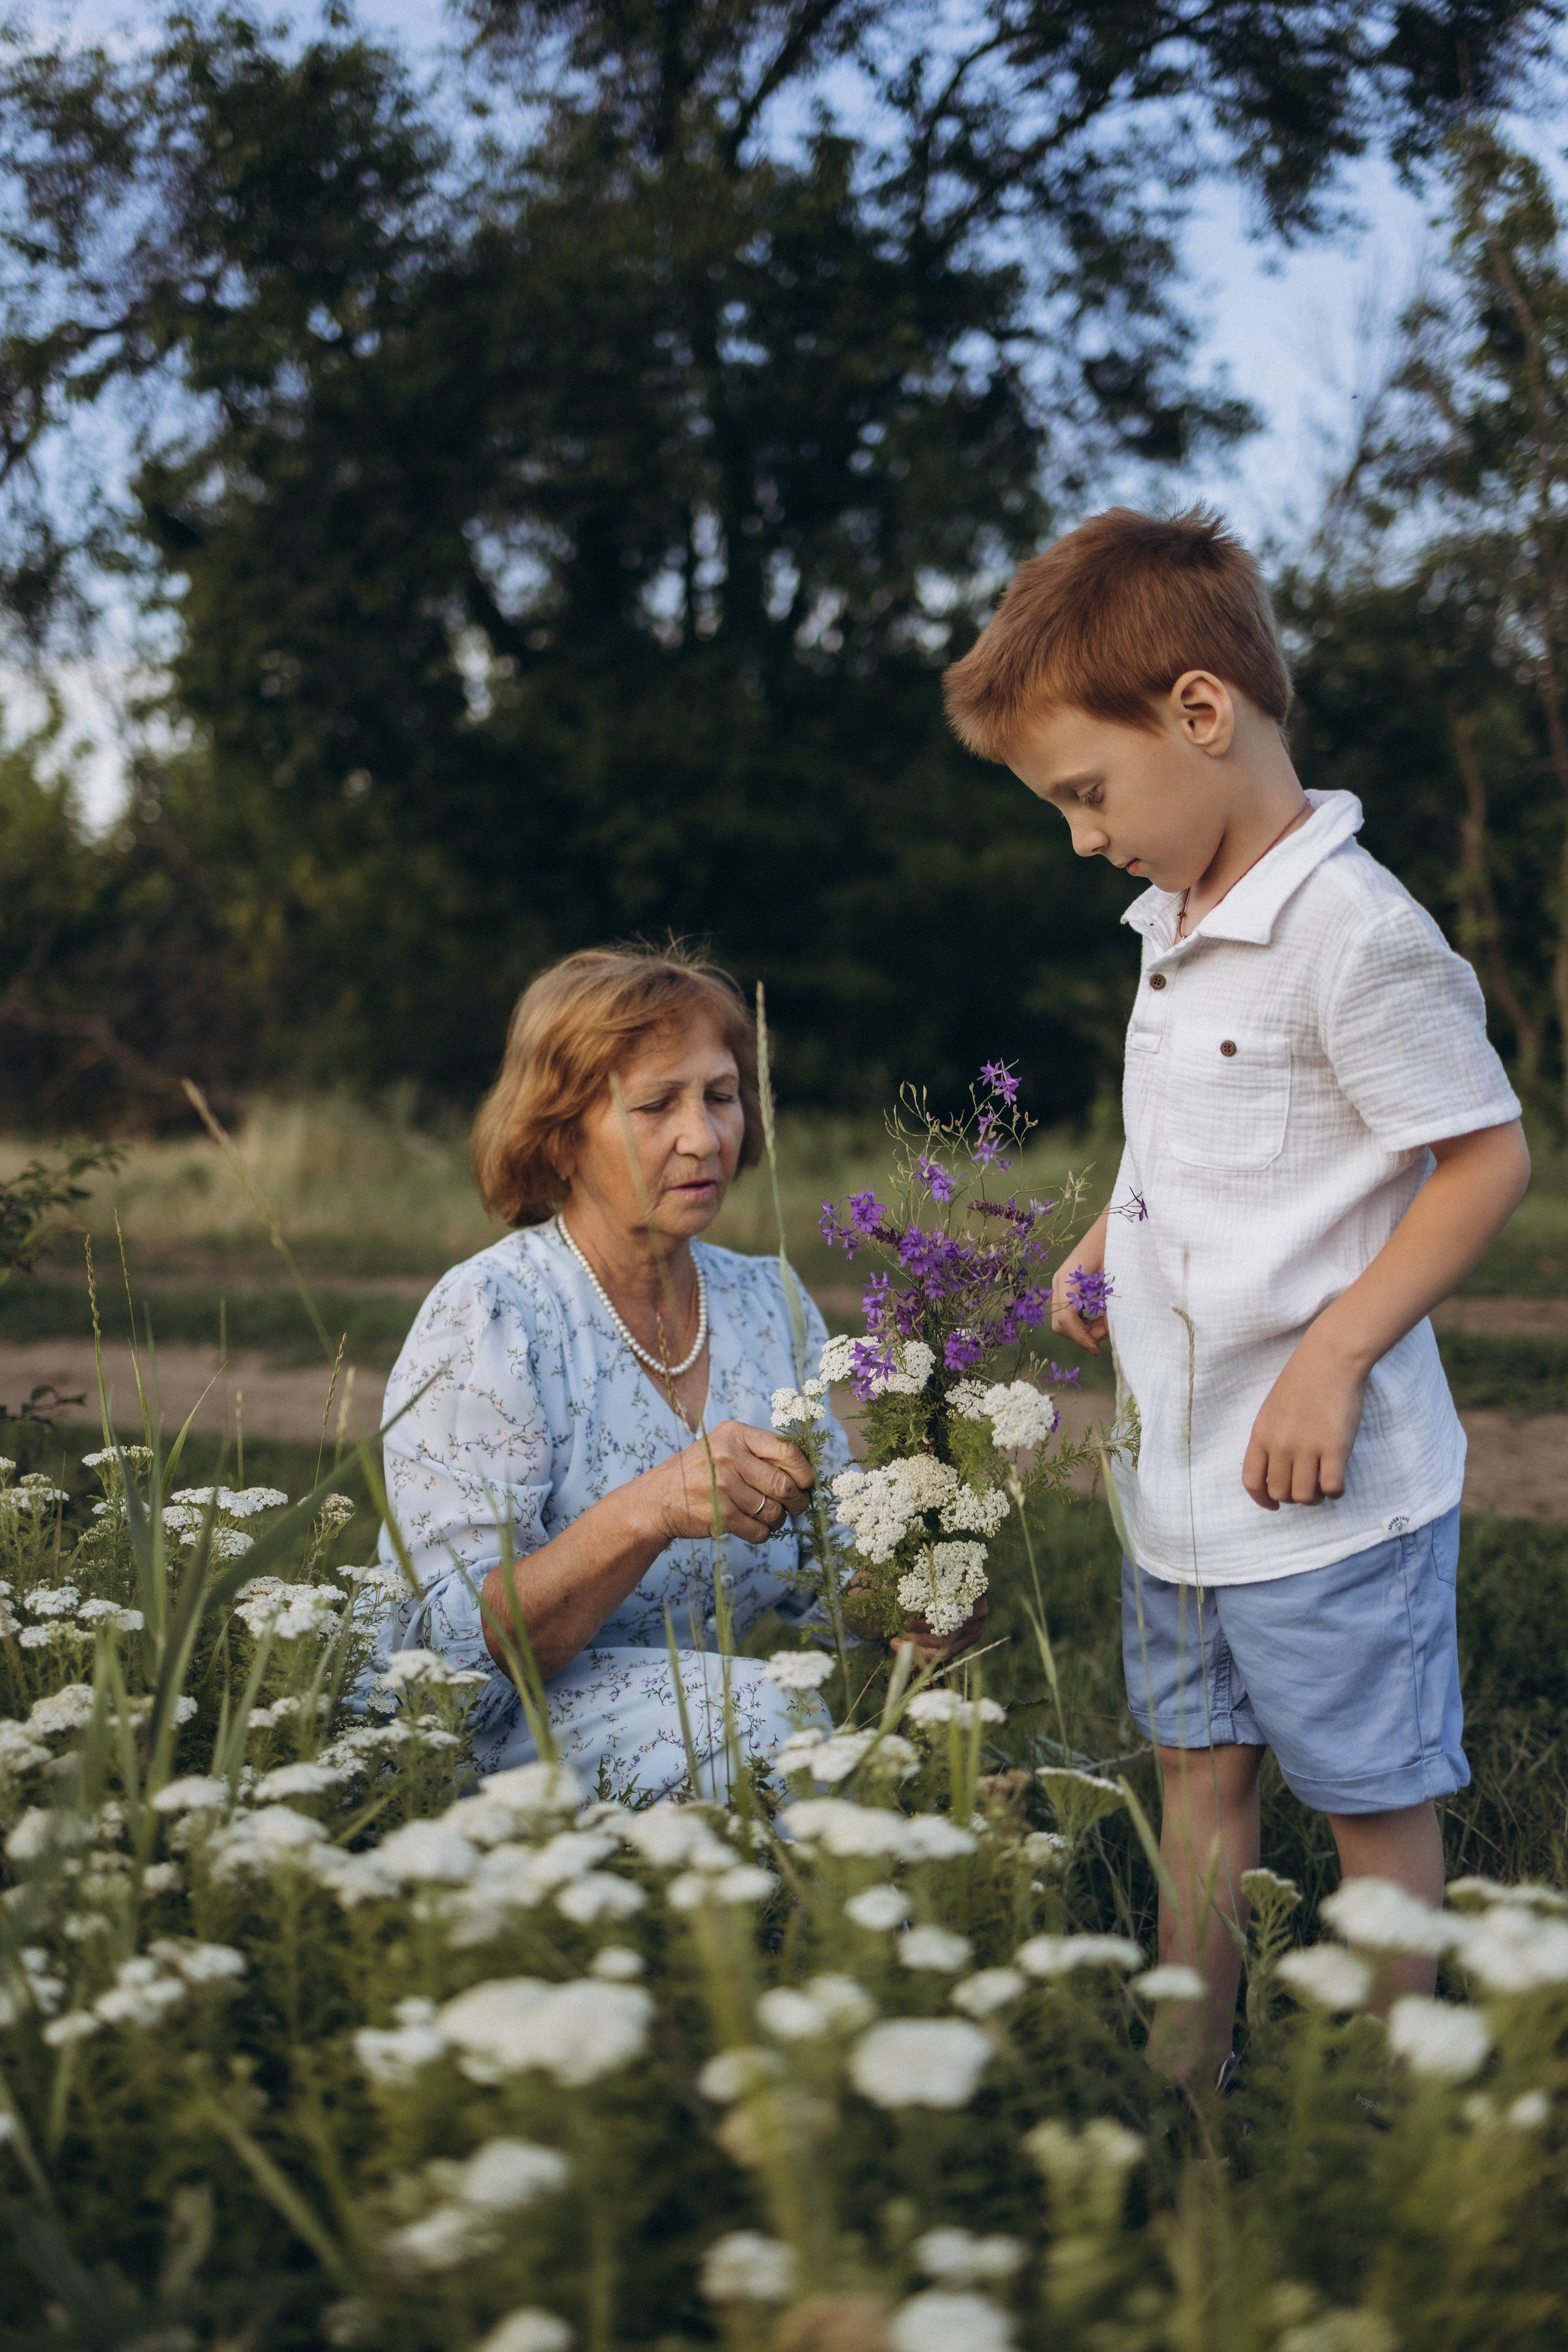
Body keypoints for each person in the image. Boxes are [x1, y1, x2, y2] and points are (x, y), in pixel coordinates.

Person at [943, 507, 1531, 2084]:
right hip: (1181, 1488)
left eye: (1084, 792)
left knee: (1368, 1816)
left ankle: (1371, 2124)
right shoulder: (1171, 919)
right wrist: (1101, 1236)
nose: (1078, 836)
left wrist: (1336, 1351)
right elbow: (1181, 1135)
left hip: (1327, 1502)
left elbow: (1482, 1162)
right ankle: (1181, 2093)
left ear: (1198, 715)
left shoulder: (1354, 933)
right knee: (1196, 1786)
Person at [374, 943, 849, 1799]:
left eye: (720, 1096)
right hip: (497, 1734)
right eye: (656, 1105)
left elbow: (830, 1560)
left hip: (706, 1713)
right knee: (772, 1727)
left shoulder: (763, 1299)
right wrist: (647, 1512)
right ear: (558, 1140)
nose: (703, 1136)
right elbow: (446, 1657)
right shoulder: (493, 1315)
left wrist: (919, 1592)